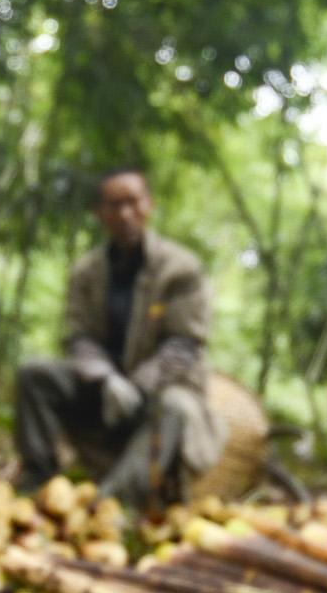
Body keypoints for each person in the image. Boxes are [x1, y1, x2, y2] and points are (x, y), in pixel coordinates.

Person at [15, 167, 222, 509]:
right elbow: (78, 336)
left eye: (133, 202)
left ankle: (113, 504)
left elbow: (184, 345)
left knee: (176, 406)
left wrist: (138, 386)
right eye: (113, 205)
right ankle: (38, 485)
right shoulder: (87, 271)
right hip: (102, 395)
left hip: (161, 395)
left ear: (149, 205)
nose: (125, 213)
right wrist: (106, 378)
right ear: (99, 213)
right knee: (34, 375)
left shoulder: (181, 269)